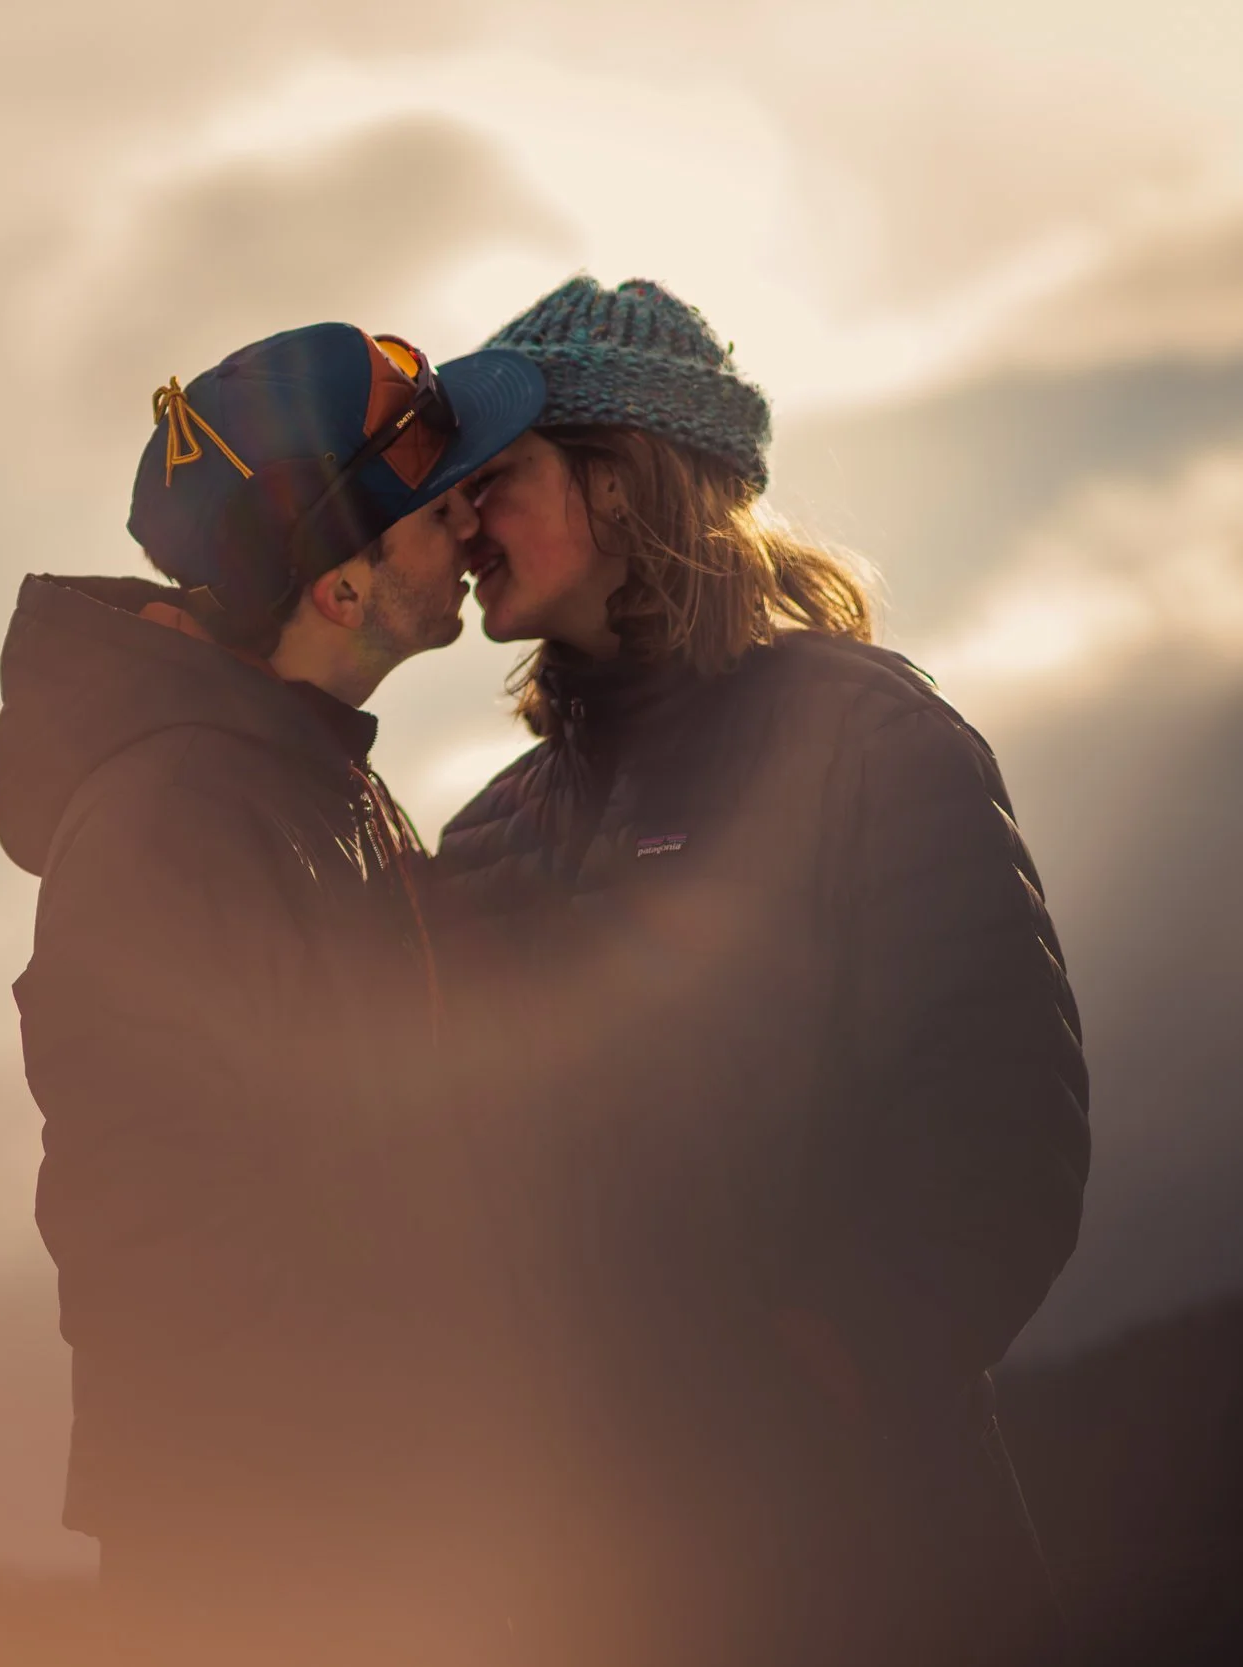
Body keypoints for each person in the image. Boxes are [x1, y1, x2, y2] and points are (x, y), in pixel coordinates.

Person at [435, 276, 1092, 1667]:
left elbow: (1000, 1131)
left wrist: (804, 1389)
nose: (462, 521)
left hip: (875, 1571)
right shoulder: (484, 837)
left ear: (621, 480)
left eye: (496, 479)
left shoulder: (865, 738)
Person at [0, 322, 544, 1664]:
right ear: (340, 587)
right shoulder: (171, 816)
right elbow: (155, 1247)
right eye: (434, 499)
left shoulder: (310, 782)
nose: (471, 513)